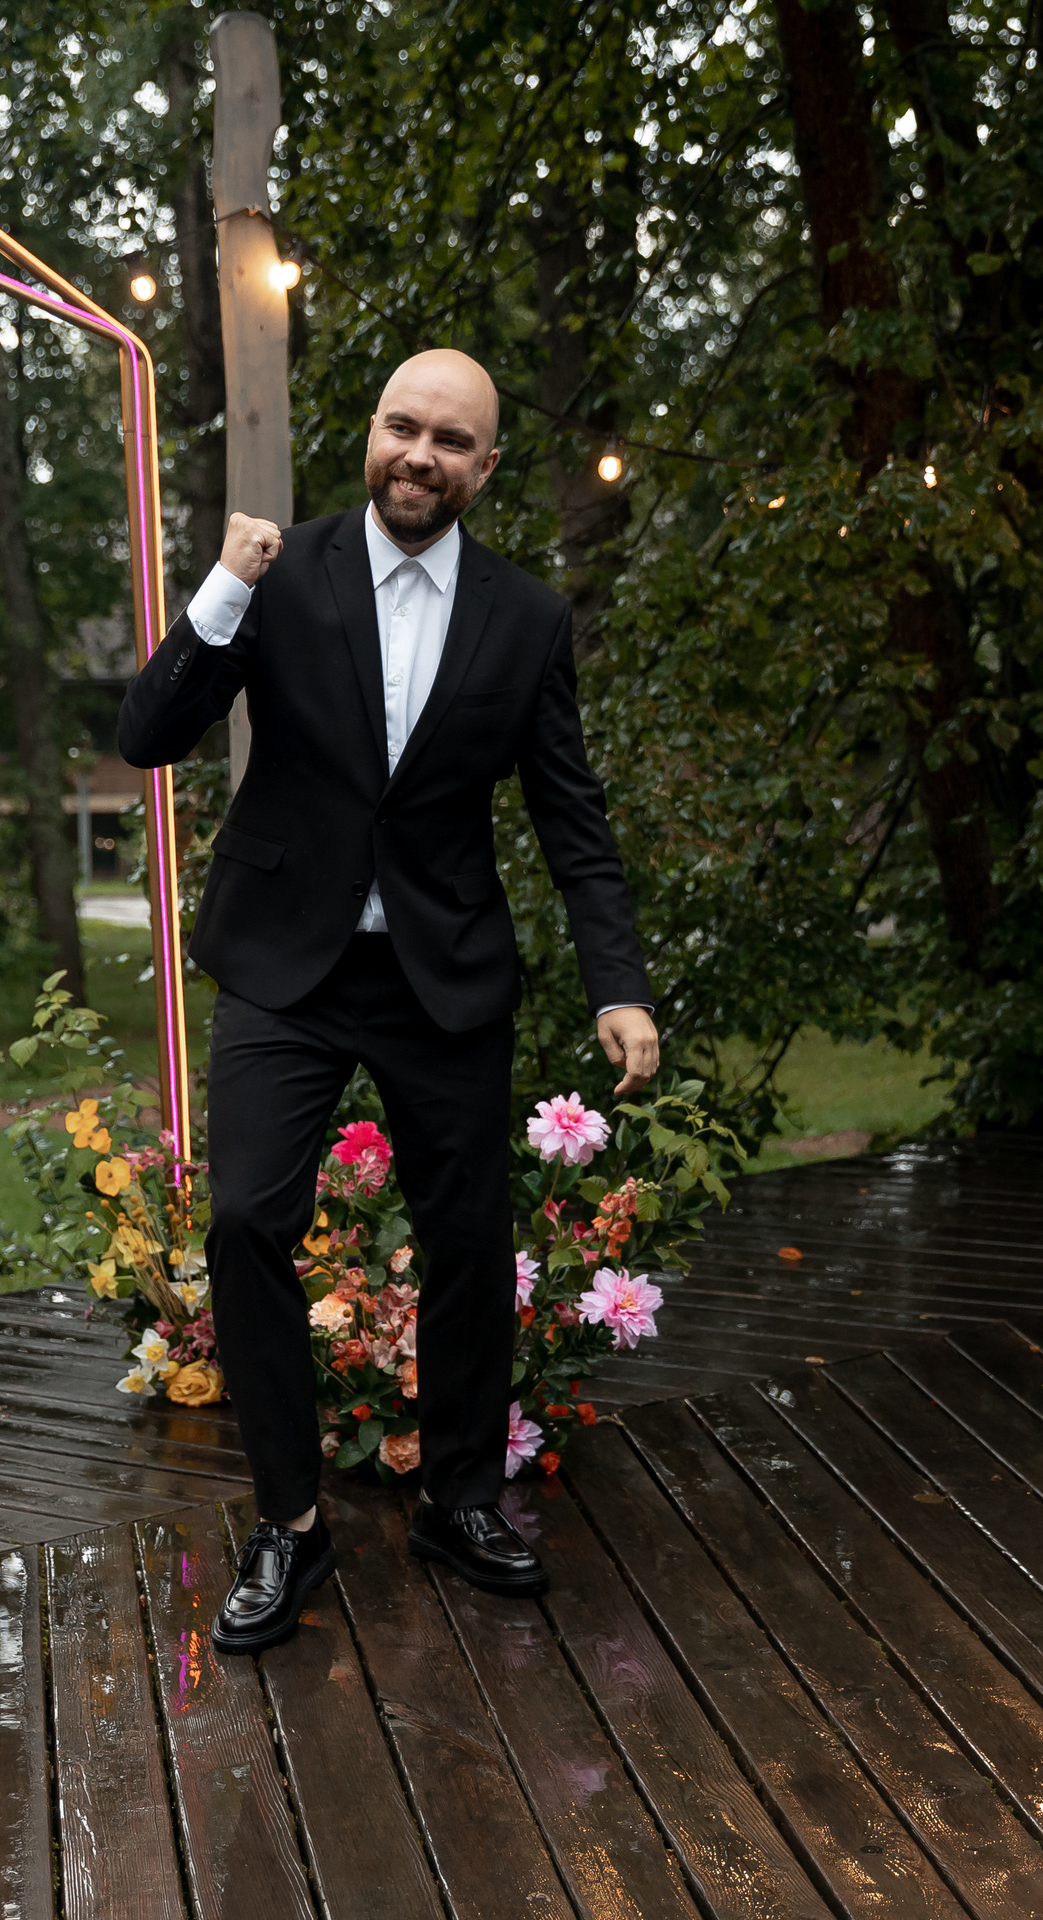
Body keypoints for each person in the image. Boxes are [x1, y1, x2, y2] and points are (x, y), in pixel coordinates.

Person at [118, 348, 658, 1653]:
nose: (421, 454)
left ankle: (462, 1499)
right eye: (402, 428)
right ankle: (290, 1523)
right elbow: (146, 735)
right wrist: (221, 590)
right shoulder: (280, 572)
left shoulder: (525, 618)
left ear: (483, 464)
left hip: (442, 968)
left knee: (469, 1238)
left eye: (451, 440)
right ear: (373, 435)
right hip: (285, 962)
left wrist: (619, 986)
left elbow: (570, 819)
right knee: (248, 1220)